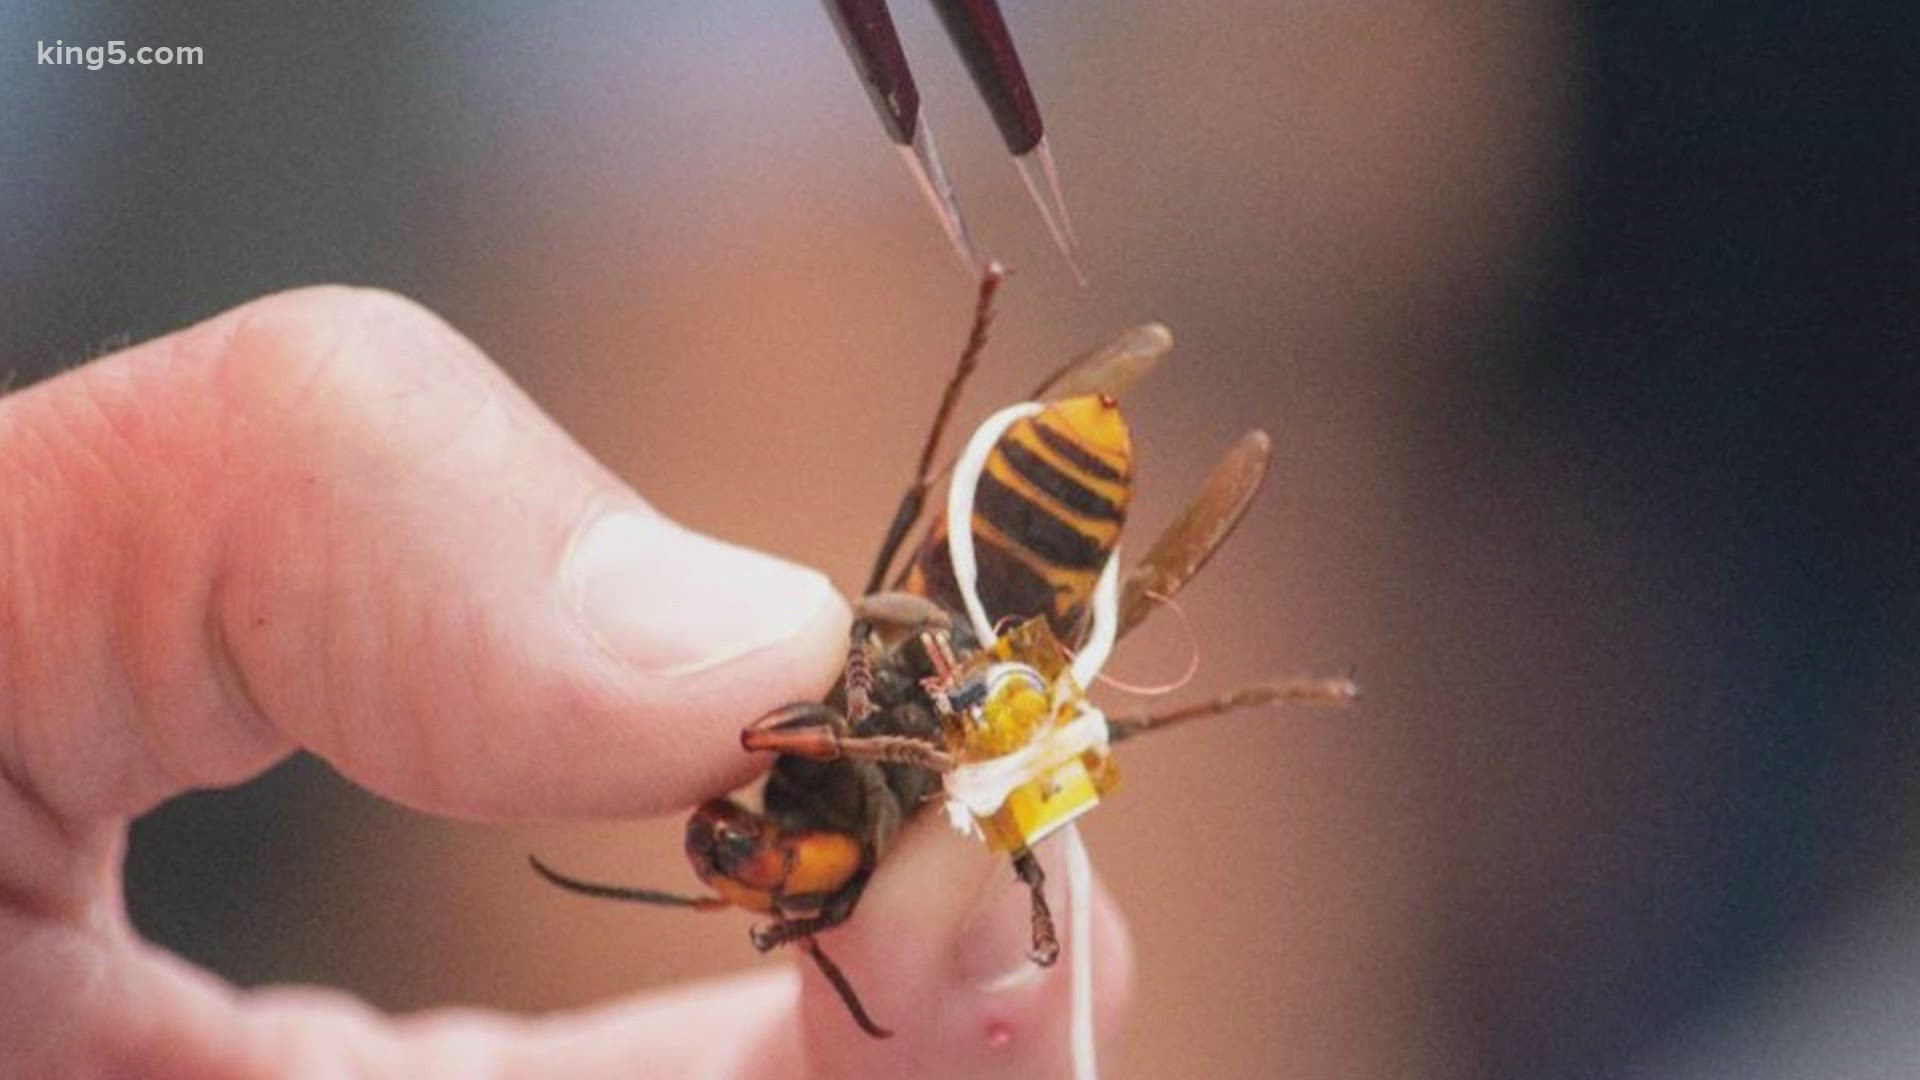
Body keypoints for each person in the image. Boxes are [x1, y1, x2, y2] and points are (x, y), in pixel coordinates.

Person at [0, 287, 1131, 1077]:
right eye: (795, 899)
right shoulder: (837, 741)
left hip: (982, 550)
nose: (775, 882)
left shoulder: (806, 723)